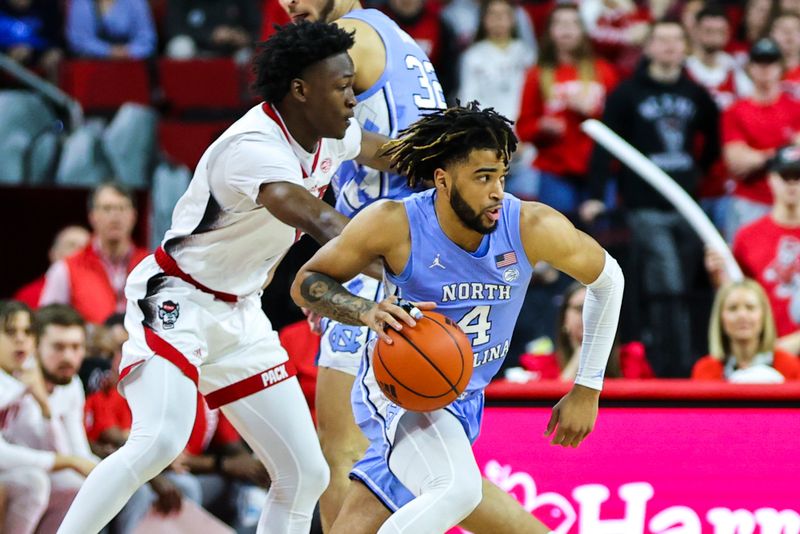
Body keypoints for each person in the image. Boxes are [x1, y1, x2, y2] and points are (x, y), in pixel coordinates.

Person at [57, 21, 398, 534]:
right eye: (342, 86)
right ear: (301, 90)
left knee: (304, 474)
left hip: (241, 312)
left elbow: (384, 151)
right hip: (179, 302)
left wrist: (448, 154)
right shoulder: (253, 146)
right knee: (160, 440)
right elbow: (319, 221)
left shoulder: (331, 132)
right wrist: (411, 265)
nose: (354, 98)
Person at [280, 1, 566, 531]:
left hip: (389, 262)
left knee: (346, 450)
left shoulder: (348, 37)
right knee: (408, 460)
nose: (289, 4)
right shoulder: (395, 39)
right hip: (412, 254)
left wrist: (331, 145)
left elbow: (417, 153)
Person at [292, 103, 624, 533]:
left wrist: (588, 387)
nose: (497, 191)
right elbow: (307, 282)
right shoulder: (395, 223)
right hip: (400, 385)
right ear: (443, 180)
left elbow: (609, 279)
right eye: (483, 177)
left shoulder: (530, 225)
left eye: (501, 176)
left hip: (465, 395)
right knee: (457, 488)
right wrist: (366, 311)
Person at [582, 20, 720, 377]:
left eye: (677, 40)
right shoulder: (627, 93)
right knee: (666, 284)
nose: (671, 46)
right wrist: (596, 194)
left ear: (686, 47)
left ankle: (691, 361)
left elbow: (714, 139)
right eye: (663, 39)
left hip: (688, 206)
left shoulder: (696, 93)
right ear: (650, 47)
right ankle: (670, 367)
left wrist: (697, 173)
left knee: (688, 286)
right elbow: (604, 147)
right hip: (644, 205)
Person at [0, 303, 98, 534]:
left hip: (28, 465)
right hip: (19, 466)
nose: (21, 340)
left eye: (27, 332)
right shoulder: (16, 379)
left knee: (83, 487)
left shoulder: (22, 377)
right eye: (11, 332)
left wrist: (45, 406)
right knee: (35, 482)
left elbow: (75, 452)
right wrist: (66, 461)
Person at [516, 3, 618, 216]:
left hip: (599, 172)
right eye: (560, 24)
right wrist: (542, 126)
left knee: (603, 243)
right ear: (550, 31)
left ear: (583, 30)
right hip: (555, 171)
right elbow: (524, 128)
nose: (566, 29)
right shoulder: (536, 74)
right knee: (558, 241)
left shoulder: (604, 72)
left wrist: (591, 113)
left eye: (573, 23)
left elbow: (620, 125)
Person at [707, 144, 800, 355]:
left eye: (798, 175)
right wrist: (719, 275)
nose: (793, 183)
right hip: (763, 353)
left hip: (772, 350)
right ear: (771, 179)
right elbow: (737, 293)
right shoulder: (747, 235)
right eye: (786, 175)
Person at [722, 38, 800, 241]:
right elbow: (736, 162)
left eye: (771, 62)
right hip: (750, 200)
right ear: (750, 68)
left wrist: (758, 155)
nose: (765, 69)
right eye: (759, 62)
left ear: (780, 66)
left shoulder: (795, 108)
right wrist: (784, 151)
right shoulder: (735, 111)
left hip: (793, 204)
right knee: (741, 267)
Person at [39, 183, 148, 324]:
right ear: (92, 216)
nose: (115, 216)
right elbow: (47, 324)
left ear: (133, 216)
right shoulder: (66, 269)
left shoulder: (150, 266)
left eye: (122, 208)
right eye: (107, 208)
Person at [520, 282, 654, 380]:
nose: (588, 317)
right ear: (564, 320)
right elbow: (548, 412)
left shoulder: (632, 359)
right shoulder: (540, 365)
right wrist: (580, 356)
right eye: (580, 308)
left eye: (597, 309)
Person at [692, 279, 800, 381]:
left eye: (750, 307)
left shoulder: (789, 366)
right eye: (733, 308)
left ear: (764, 316)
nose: (742, 315)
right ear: (720, 318)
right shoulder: (705, 370)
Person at [13, 225, 90, 310]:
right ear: (53, 253)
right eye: (71, 245)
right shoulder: (28, 296)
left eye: (85, 248)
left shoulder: (98, 292)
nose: (79, 252)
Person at [165, 0, 261, 62]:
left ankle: (246, 93)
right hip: (197, 50)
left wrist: (241, 37)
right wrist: (210, 35)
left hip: (231, 51)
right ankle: (181, 91)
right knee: (180, 46)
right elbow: (173, 28)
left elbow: (257, 29)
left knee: (248, 53)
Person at [65, 0, 156, 59]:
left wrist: (129, 51)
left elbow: (147, 38)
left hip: (131, 66)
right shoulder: (81, 3)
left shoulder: (135, 2)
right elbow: (79, 41)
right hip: (91, 67)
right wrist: (108, 51)